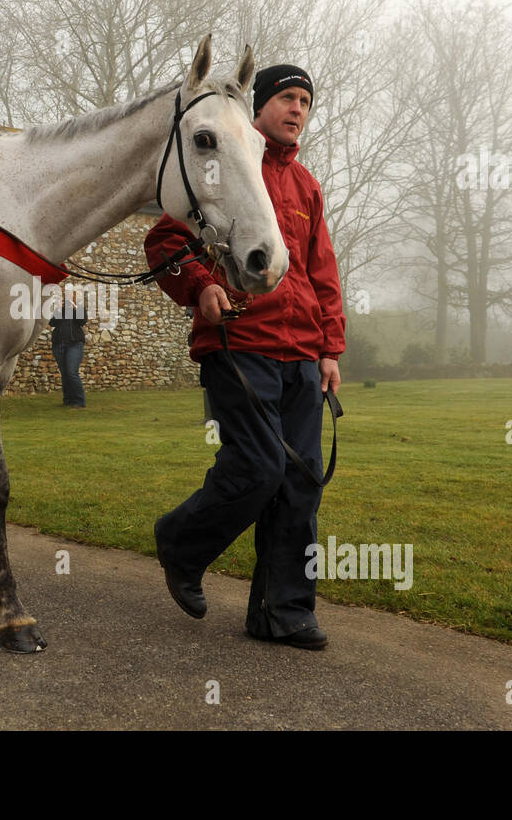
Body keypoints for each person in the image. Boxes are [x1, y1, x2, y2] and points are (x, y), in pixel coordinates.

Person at [143, 63, 345, 650]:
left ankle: (283, 613)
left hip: (302, 353)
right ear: (258, 106)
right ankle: (182, 543)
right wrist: (202, 285)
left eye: (306, 100)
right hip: (239, 344)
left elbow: (321, 272)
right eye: (287, 96)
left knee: (301, 483)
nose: (298, 108)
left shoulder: (307, 187)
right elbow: (165, 241)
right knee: (258, 467)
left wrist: (330, 348)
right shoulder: (228, 163)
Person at [49, 289, 89, 409]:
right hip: (59, 344)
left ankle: (79, 401)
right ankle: (68, 400)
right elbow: (52, 323)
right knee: (65, 374)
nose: (67, 298)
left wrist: (75, 308)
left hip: (75, 344)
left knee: (72, 372)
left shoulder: (79, 309)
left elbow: (82, 321)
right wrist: (59, 310)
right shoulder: (60, 310)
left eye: (70, 296)